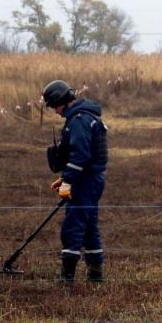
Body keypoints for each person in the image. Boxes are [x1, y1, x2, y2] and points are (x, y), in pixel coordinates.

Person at [43, 80, 108, 282]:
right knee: (89, 225)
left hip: (85, 182)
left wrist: (67, 182)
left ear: (61, 100)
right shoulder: (83, 117)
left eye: (54, 106)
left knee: (73, 225)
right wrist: (64, 178)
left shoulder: (79, 120)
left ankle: (67, 275)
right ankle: (96, 275)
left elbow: (80, 157)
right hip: (89, 179)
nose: (55, 111)